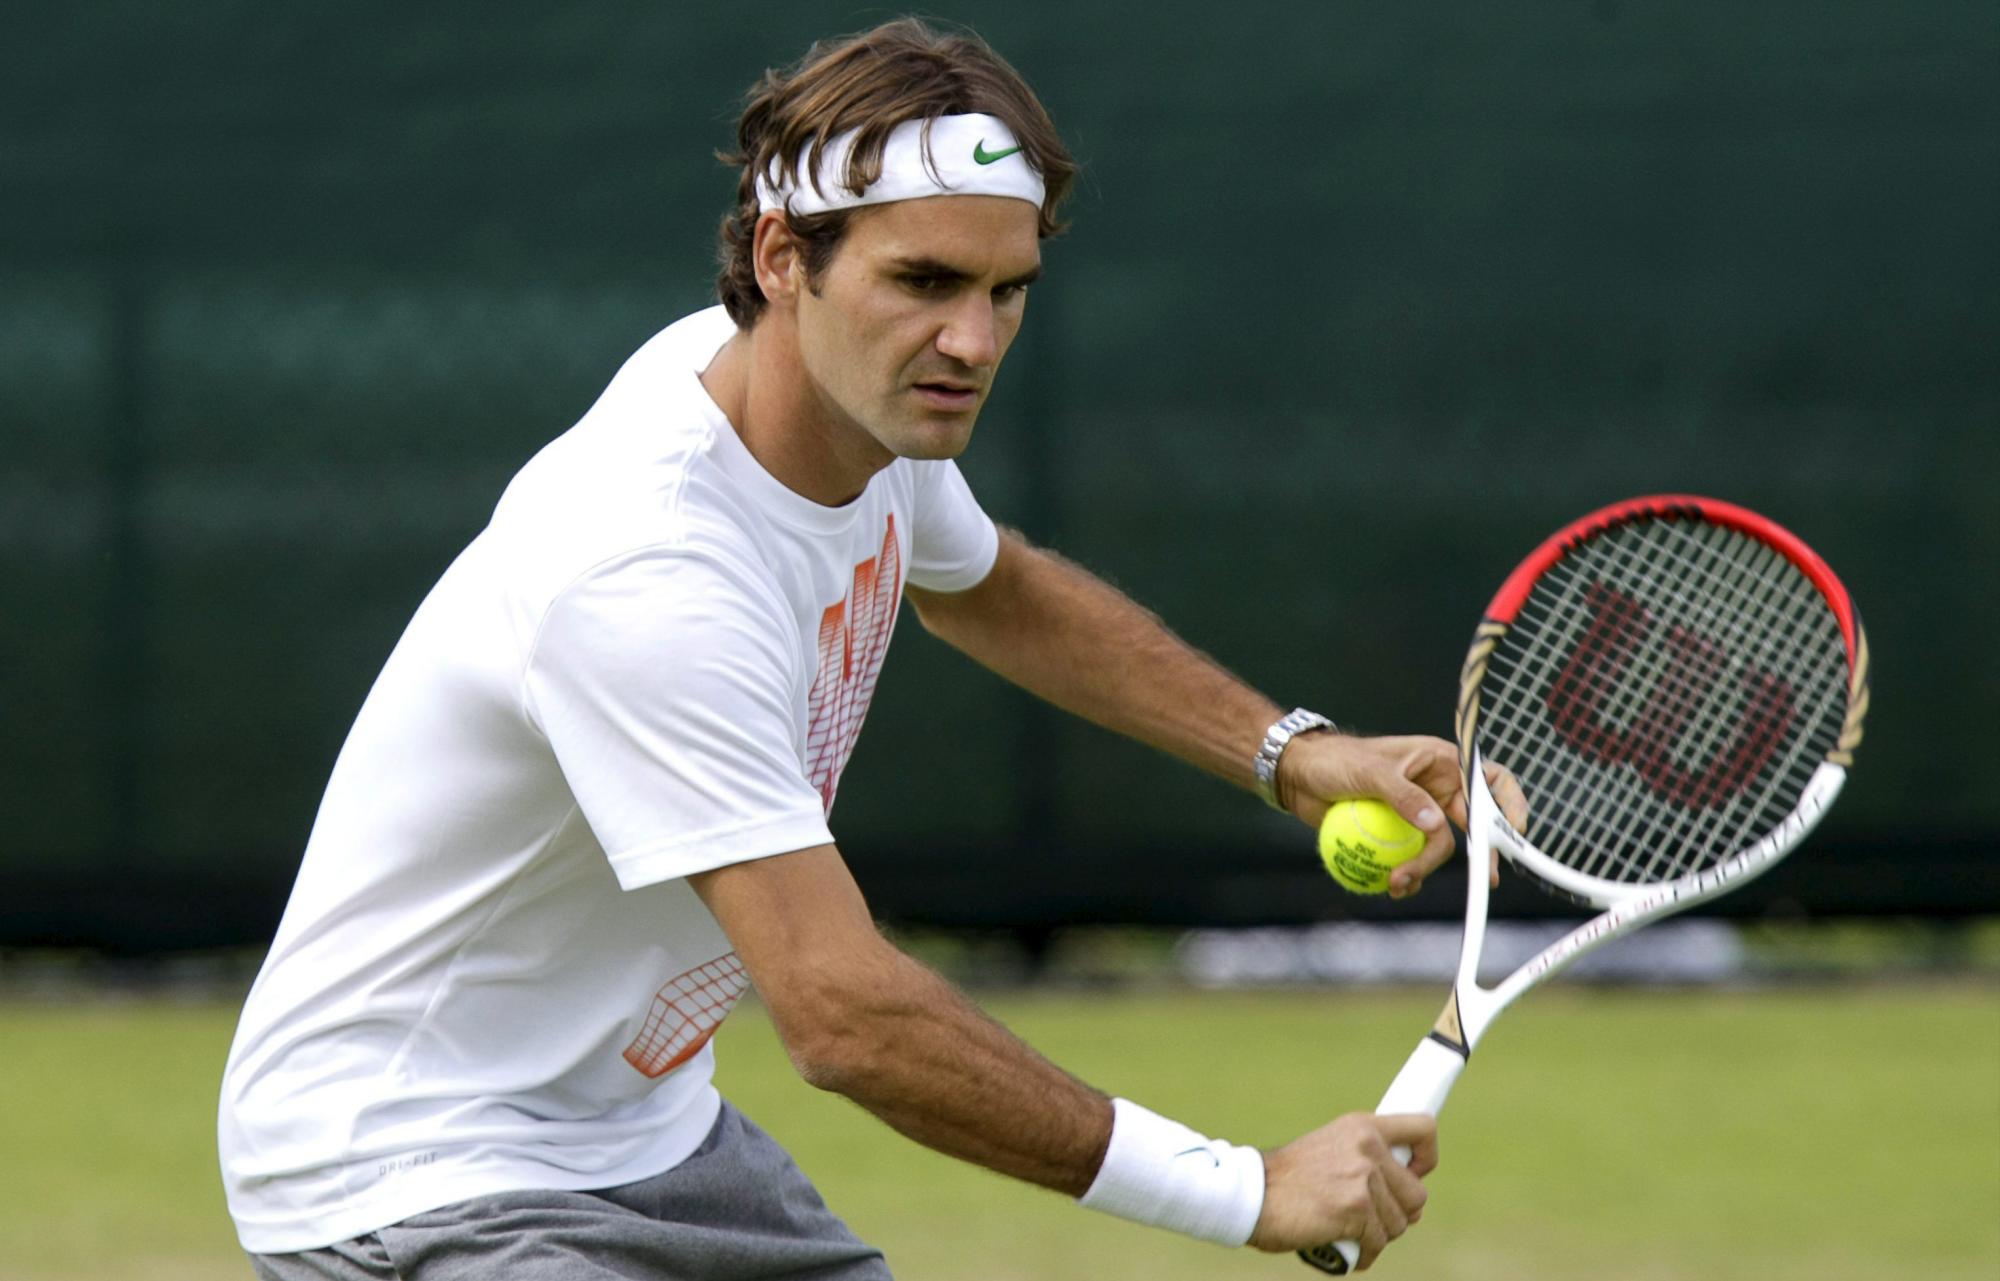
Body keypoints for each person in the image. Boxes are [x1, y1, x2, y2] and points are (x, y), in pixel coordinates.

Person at [219, 17, 1523, 1279]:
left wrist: (1295, 757)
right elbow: (843, 1014)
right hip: (408, 1162)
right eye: (925, 282)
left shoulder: (843, 421)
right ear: (784, 257)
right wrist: (1247, 1187)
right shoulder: (645, 568)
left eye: (1008, 290)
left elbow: (990, 587)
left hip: (646, 1134)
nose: (973, 340)